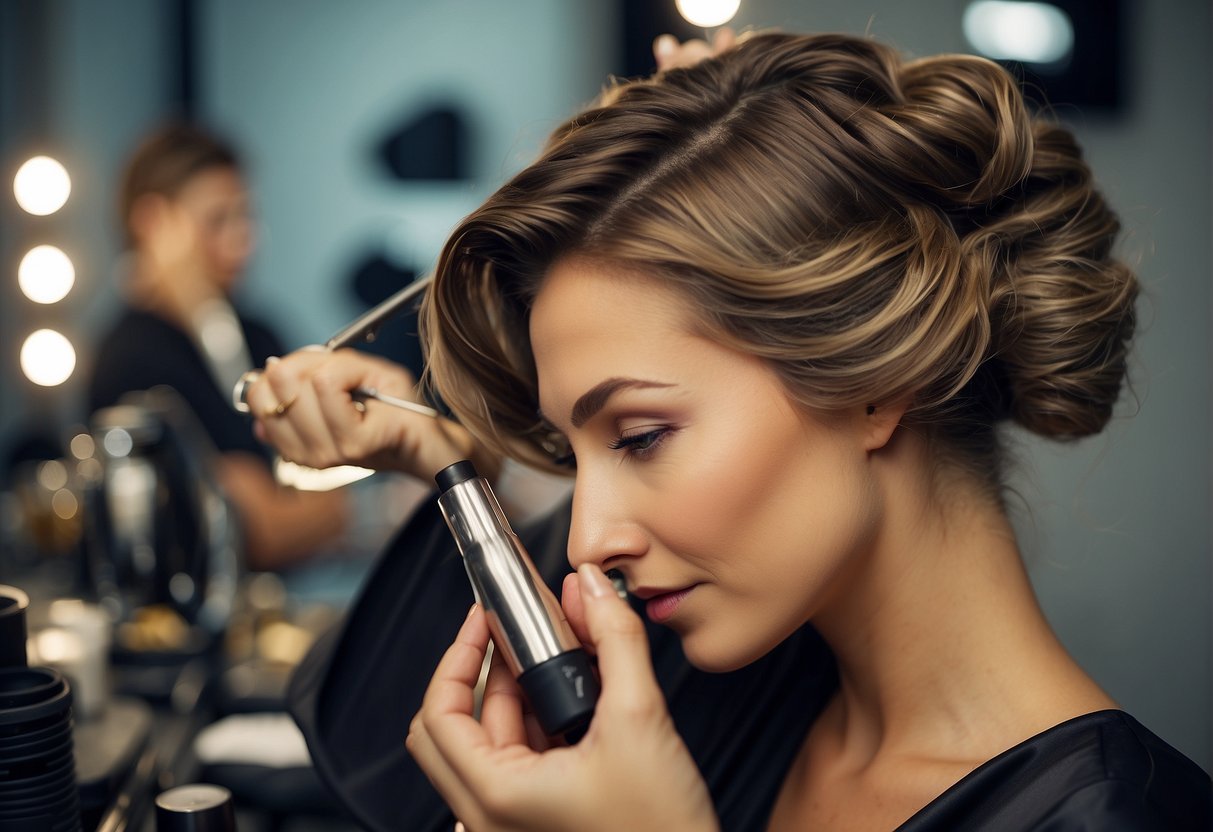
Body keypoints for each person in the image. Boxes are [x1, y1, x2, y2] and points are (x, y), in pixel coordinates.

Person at [249, 30, 1212, 831]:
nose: (588, 543)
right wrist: (437, 462)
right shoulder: (725, 680)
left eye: (640, 436)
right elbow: (396, 762)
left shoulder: (1110, 818)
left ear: (878, 379)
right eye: (576, 454)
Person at [87, 123, 350, 571]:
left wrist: (314, 507)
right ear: (153, 224)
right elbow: (257, 532)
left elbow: (333, 494)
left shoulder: (259, 333)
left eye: (245, 216)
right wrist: (310, 507)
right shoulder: (131, 359)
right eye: (217, 221)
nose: (243, 240)